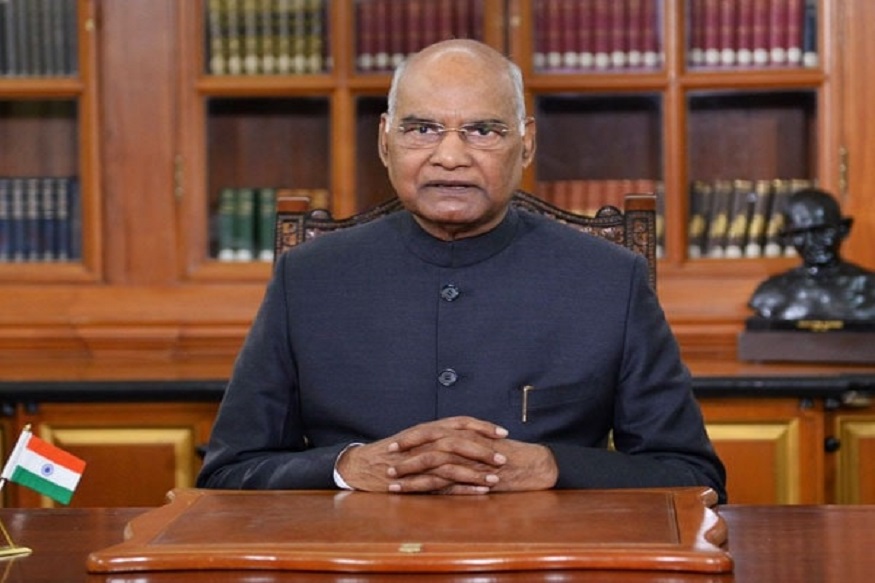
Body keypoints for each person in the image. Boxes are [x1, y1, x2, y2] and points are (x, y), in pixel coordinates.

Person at [197, 39, 726, 502]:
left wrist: (553, 467)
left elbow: (692, 477)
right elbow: (227, 474)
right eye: (422, 129)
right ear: (384, 141)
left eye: (482, 130)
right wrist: (345, 468)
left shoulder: (610, 279)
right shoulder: (308, 278)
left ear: (527, 143)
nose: (450, 156)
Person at [749, 188, 875, 321]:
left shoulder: (869, 287)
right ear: (787, 238)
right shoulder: (771, 292)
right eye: (799, 234)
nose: (811, 242)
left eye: (822, 231)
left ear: (843, 229)